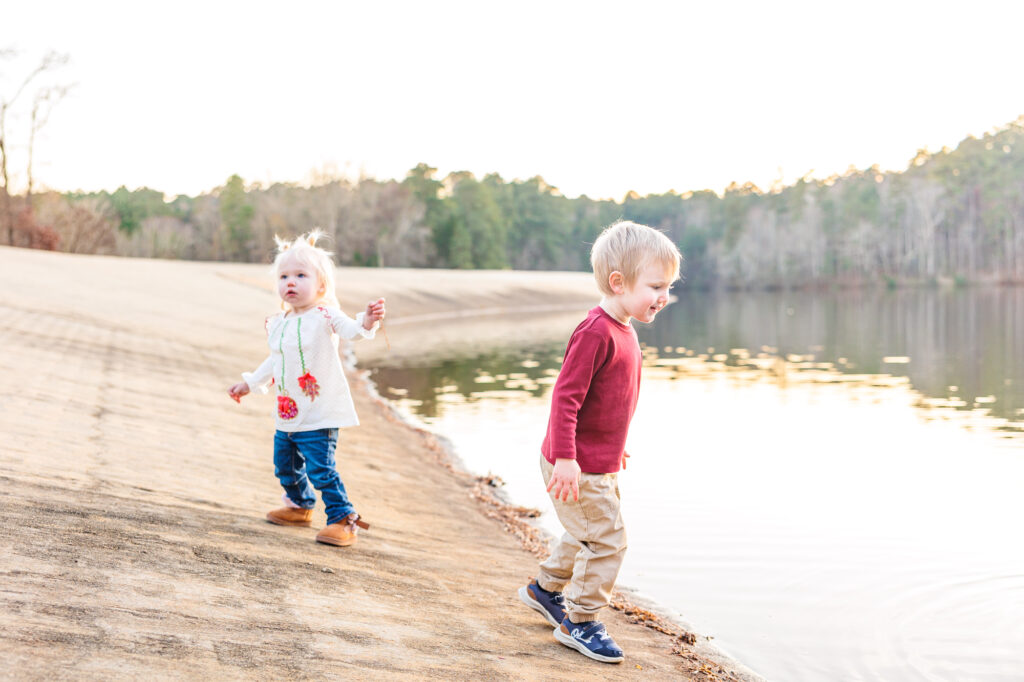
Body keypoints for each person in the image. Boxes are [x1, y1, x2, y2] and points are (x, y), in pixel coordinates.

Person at [518, 220, 681, 663]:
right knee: (608, 540)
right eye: (656, 286)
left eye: (668, 287)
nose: (664, 296)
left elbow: (610, 400)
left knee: (587, 531)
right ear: (619, 282)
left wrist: (614, 444)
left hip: (596, 459)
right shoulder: (596, 331)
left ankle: (544, 590)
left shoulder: (623, 328)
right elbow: (565, 399)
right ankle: (581, 620)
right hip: (575, 463)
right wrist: (566, 457)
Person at [228, 230, 386, 547]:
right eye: (284, 276)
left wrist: (367, 321)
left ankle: (343, 518)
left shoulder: (325, 315)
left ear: (321, 285)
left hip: (319, 412)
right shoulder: (281, 322)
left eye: (301, 276)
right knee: (284, 466)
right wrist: (250, 383)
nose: (291, 282)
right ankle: (300, 505)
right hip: (288, 411)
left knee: (321, 470)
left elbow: (352, 331)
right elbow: (275, 359)